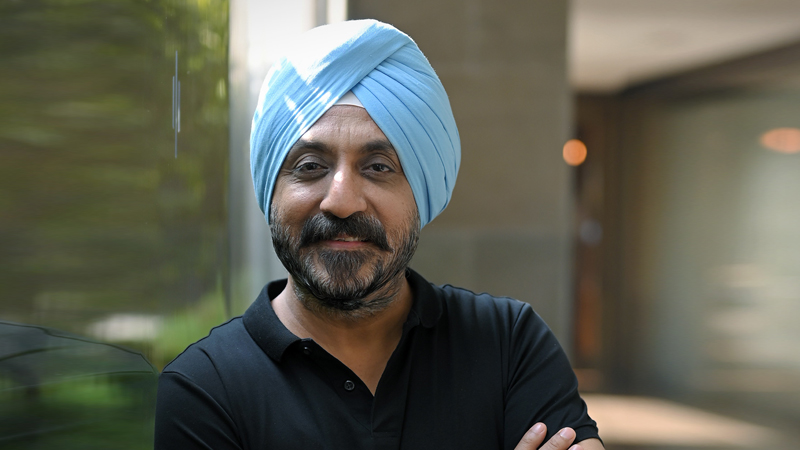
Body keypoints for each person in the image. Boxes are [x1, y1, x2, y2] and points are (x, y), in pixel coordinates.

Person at [155, 19, 603, 450]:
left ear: (422, 194)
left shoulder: (508, 343)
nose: (341, 201)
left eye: (378, 167)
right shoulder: (204, 389)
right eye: (310, 166)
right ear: (272, 189)